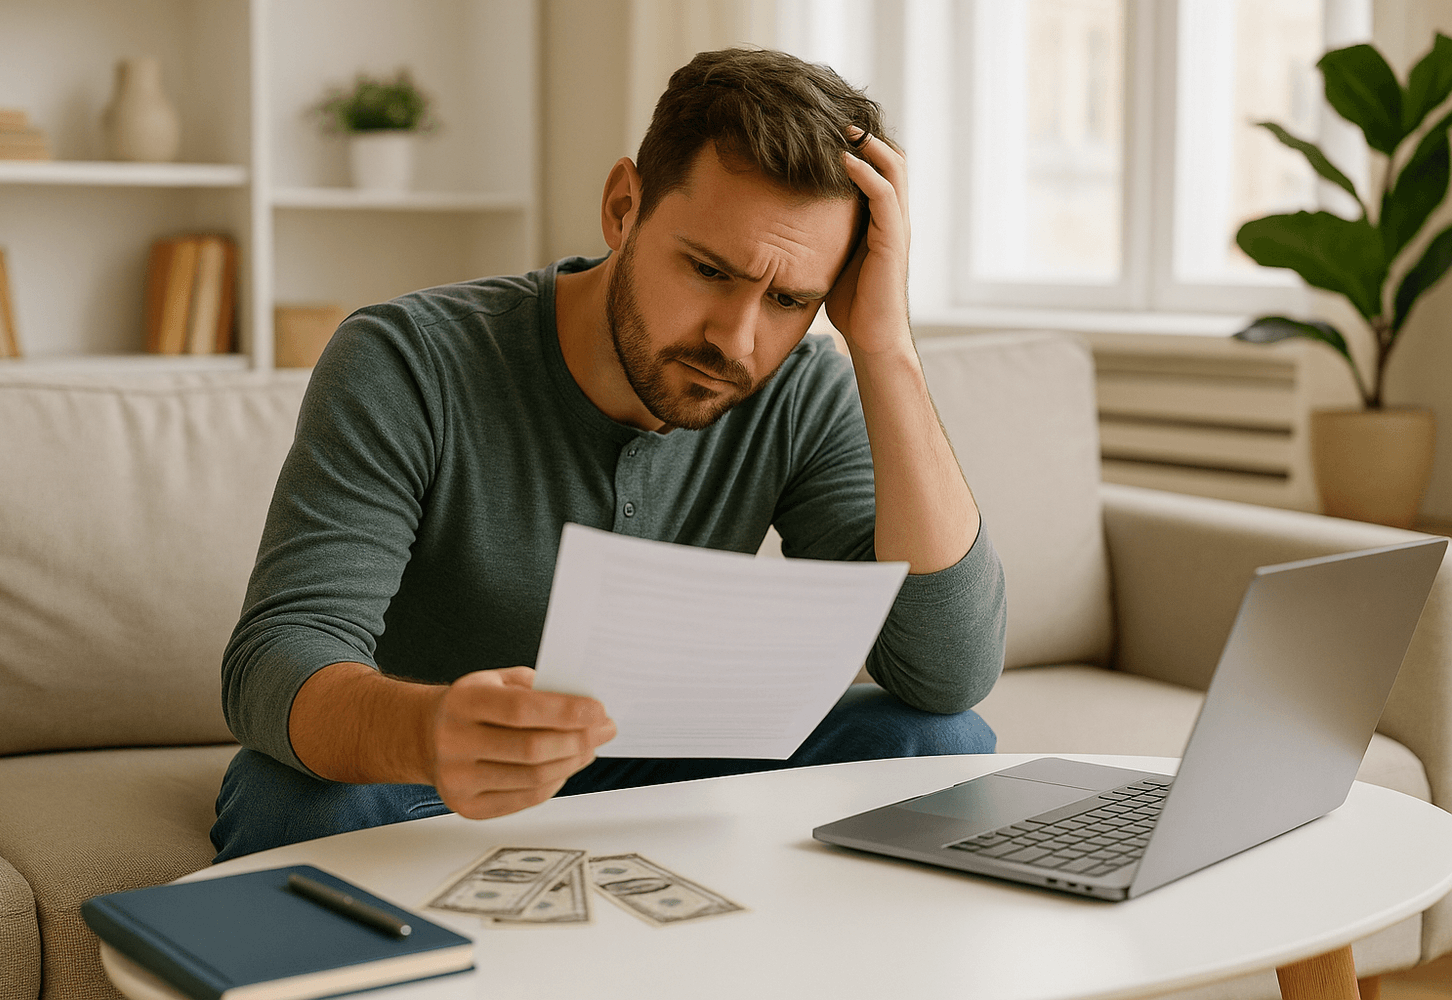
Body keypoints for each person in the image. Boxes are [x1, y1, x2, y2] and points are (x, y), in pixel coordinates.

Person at [211, 47, 1006, 863]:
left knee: (936, 740)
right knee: (290, 805)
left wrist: (886, 349)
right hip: (435, 780)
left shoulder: (803, 390)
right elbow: (278, 653)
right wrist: (429, 730)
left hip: (678, 767)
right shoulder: (406, 360)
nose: (736, 340)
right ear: (623, 207)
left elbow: (946, 676)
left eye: (788, 299)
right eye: (707, 269)